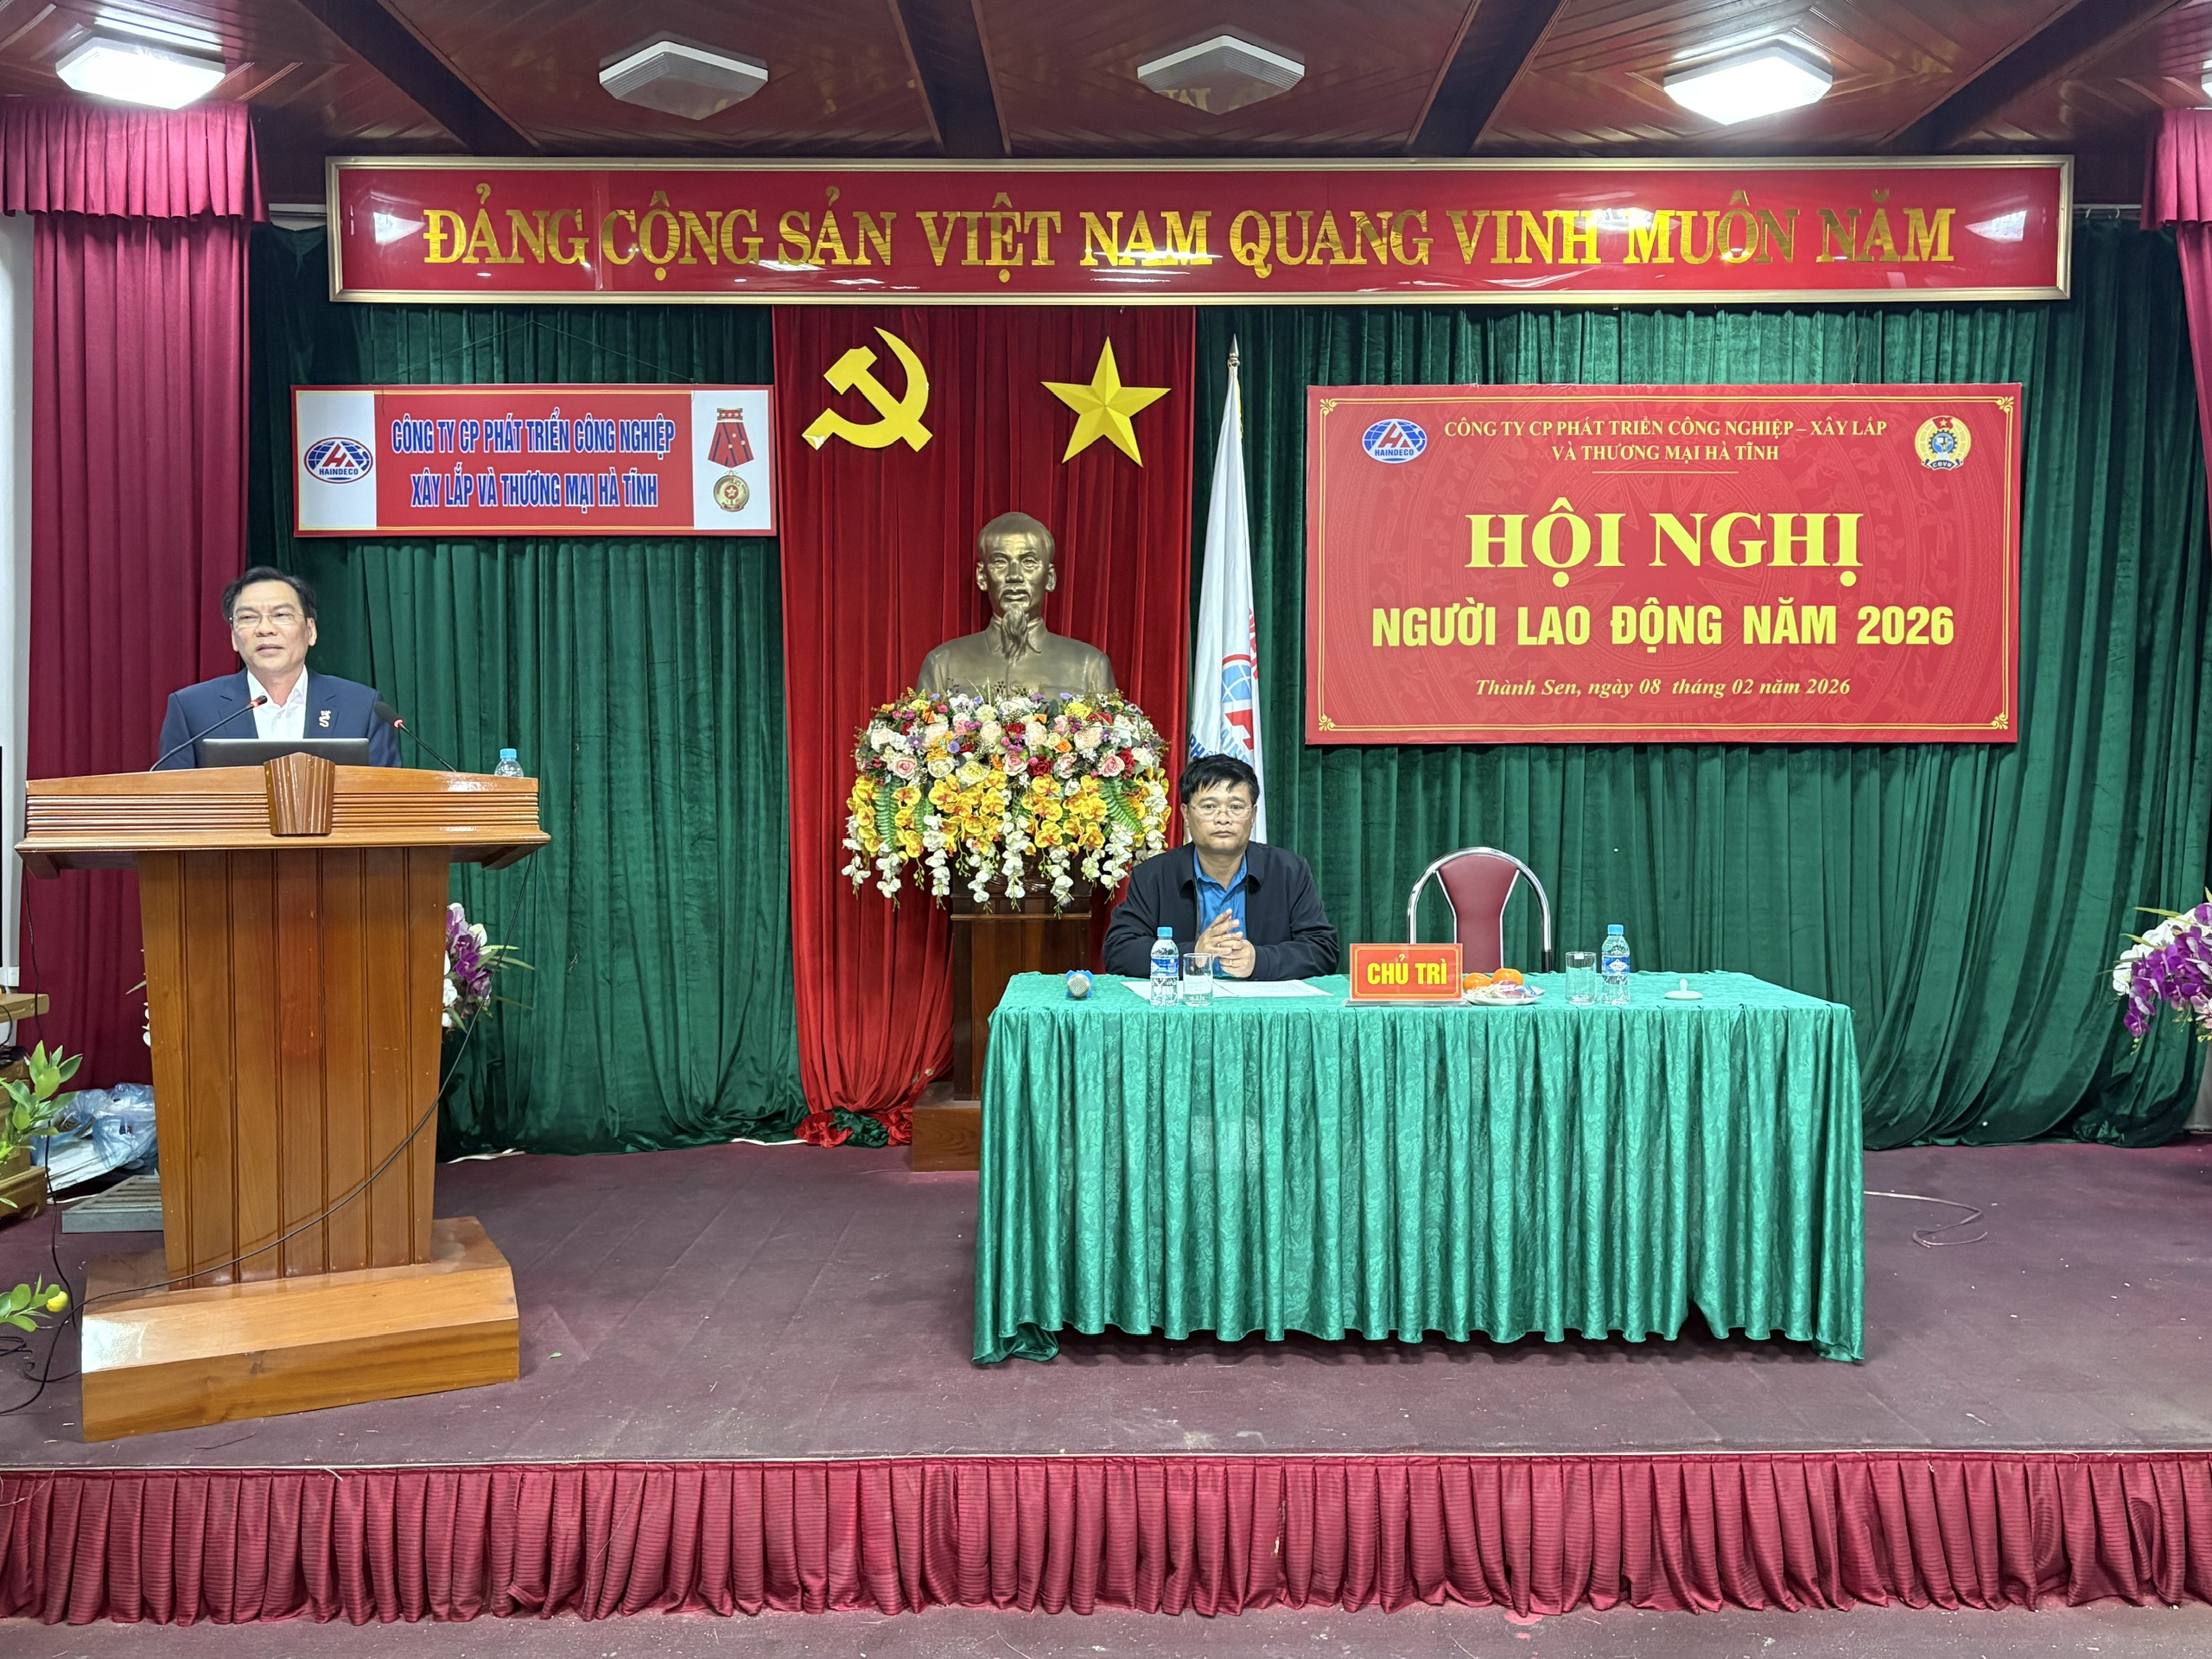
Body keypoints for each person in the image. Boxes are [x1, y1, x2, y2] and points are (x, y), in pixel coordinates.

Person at [1103, 754, 1338, 982]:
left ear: (1253, 815)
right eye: (1209, 807)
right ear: (1186, 814)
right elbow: (1119, 951)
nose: (1223, 818)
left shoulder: (1288, 871)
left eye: (1236, 807)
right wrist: (1193, 954)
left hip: (1263, 1004)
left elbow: (1323, 950)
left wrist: (1260, 961)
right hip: (1188, 1003)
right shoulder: (1154, 876)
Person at [155, 566, 400, 770]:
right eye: (248, 618)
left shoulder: (361, 707)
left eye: (281, 615)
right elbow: (170, 801)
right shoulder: (192, 708)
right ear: (234, 637)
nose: (265, 629)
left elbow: (388, 798)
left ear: (311, 631)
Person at [914, 512, 1117, 698]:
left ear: (1050, 578)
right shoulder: (943, 664)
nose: (1014, 576)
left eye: (1028, 562)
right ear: (982, 577)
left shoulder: (1089, 666)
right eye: (1000, 562)